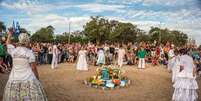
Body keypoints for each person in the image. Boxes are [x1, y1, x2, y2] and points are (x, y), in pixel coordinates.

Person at [3, 32, 47, 101]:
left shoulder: (14, 51)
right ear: (27, 41)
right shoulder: (29, 52)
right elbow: (33, 68)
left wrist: (10, 34)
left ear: (19, 40)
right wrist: (37, 78)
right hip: (28, 79)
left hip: (14, 79)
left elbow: (7, 44)